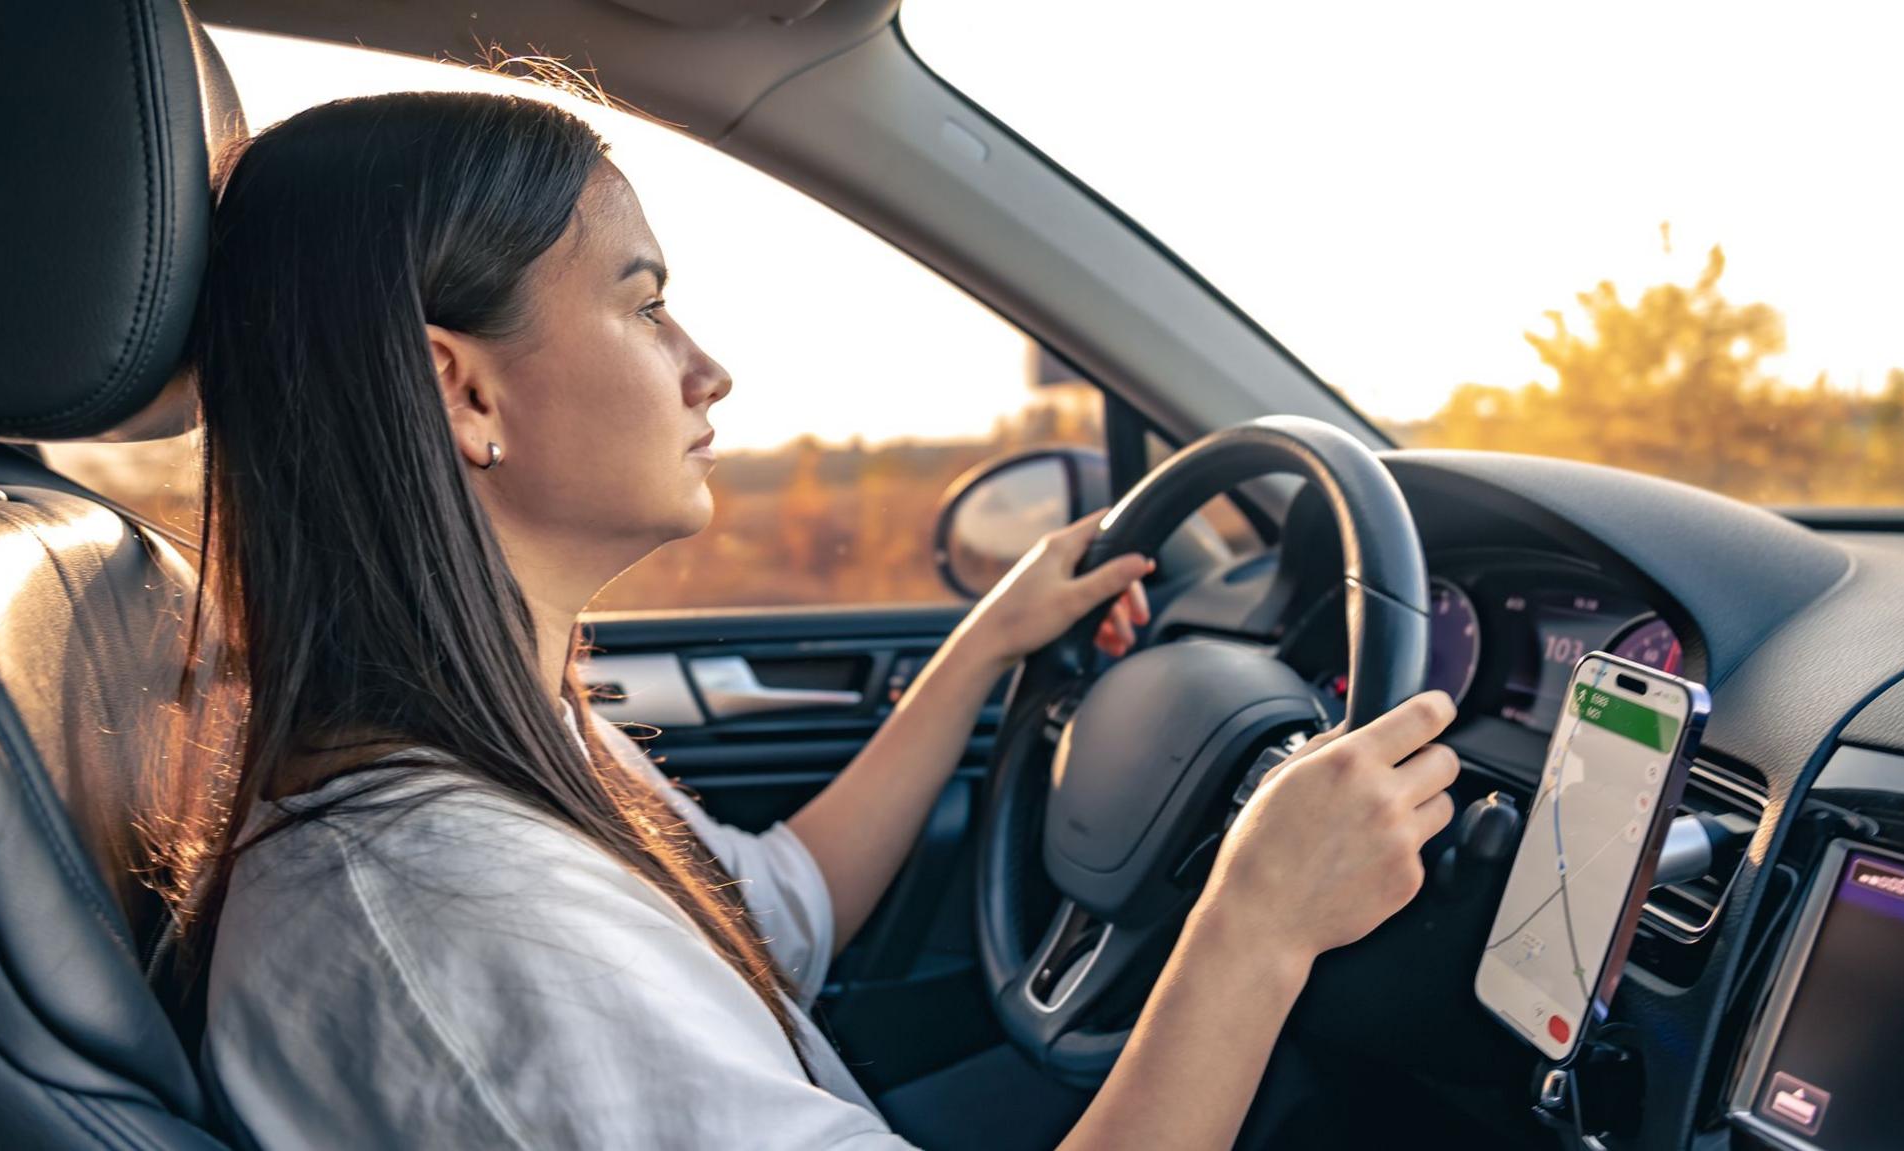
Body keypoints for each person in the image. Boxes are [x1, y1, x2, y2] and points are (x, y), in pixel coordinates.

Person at [170, 89, 1460, 1149]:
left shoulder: (493, 749)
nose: (706, 367)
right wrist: (1257, 921)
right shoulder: (455, 919)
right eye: (644, 301)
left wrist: (985, 650)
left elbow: (768, 914)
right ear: (462, 390)